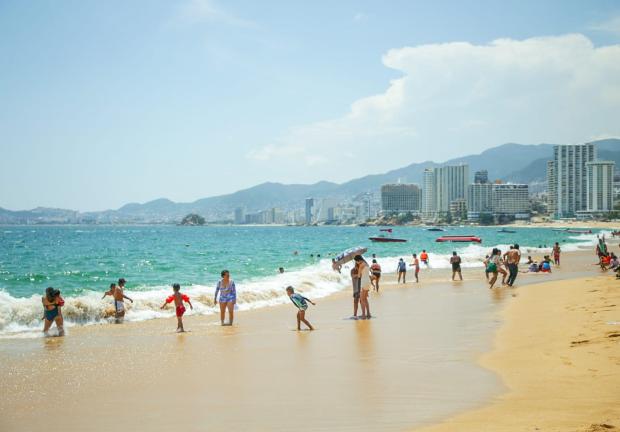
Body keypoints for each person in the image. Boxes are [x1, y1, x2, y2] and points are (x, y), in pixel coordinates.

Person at [354, 255, 371, 319]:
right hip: (368, 281)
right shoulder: (366, 264)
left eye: (356, 261)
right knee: (365, 298)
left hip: (363, 282)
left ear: (358, 260)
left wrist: (358, 269)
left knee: (362, 299)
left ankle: (363, 315)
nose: (356, 263)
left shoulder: (361, 265)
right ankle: (368, 313)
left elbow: (359, 275)